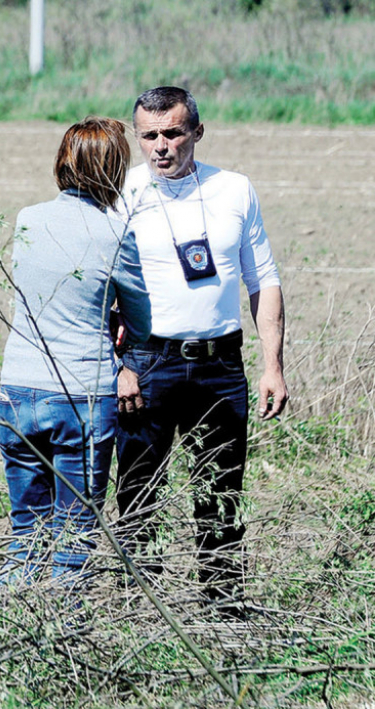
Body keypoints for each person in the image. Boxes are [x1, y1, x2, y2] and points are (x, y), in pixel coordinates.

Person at [115, 86, 288, 609]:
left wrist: (273, 365)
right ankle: (138, 611)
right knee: (138, 491)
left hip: (220, 365)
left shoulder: (234, 189)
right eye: (149, 136)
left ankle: (223, 610)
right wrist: (119, 365)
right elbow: (99, 289)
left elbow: (265, 280)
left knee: (221, 491)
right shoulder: (122, 193)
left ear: (197, 132)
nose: (161, 146)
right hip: (148, 363)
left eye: (172, 133)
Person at [0, 117, 152, 588]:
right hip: (82, 394)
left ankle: (4, 629)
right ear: (115, 169)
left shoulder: (28, 218)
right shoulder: (116, 231)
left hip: (18, 389)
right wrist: (119, 324)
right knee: (74, 536)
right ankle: (67, 645)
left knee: (26, 529)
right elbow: (142, 319)